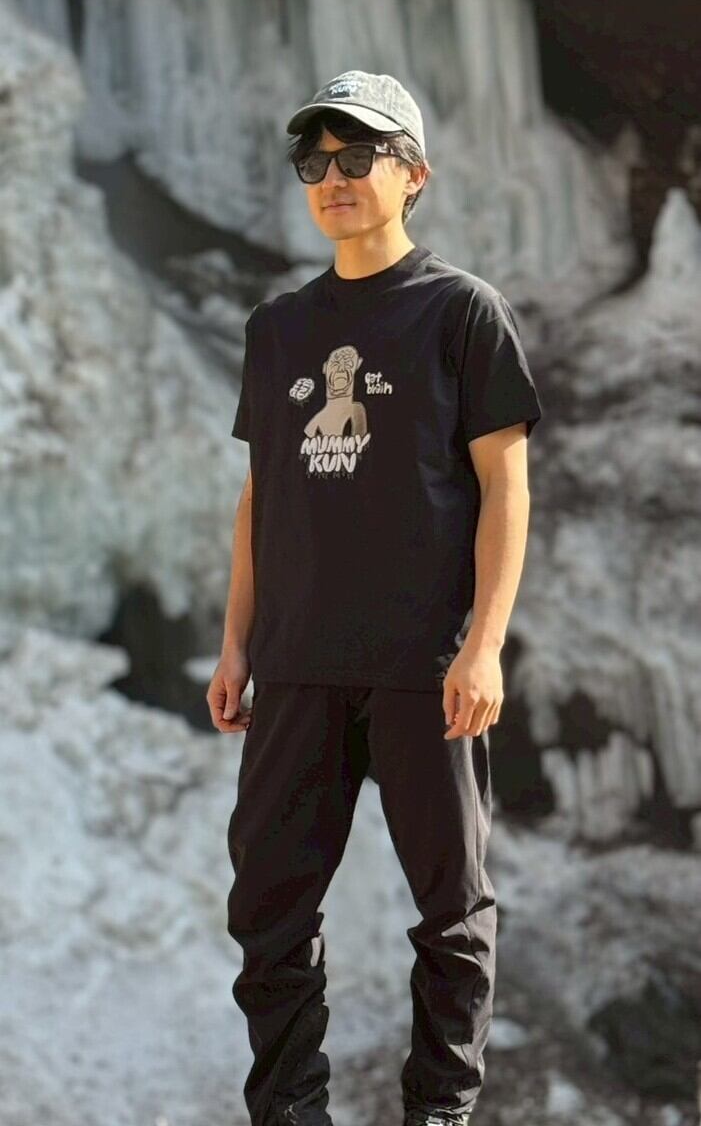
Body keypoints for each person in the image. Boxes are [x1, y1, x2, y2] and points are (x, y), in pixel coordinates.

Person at [207, 70, 544, 1126]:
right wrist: (234, 645)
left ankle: (437, 1113)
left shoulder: (461, 312)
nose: (333, 178)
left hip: (421, 667)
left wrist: (483, 645)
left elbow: (505, 488)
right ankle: (288, 1113)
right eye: (314, 161)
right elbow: (260, 495)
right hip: (296, 664)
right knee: (267, 911)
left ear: (413, 175)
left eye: (358, 156)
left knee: (451, 914)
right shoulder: (276, 328)